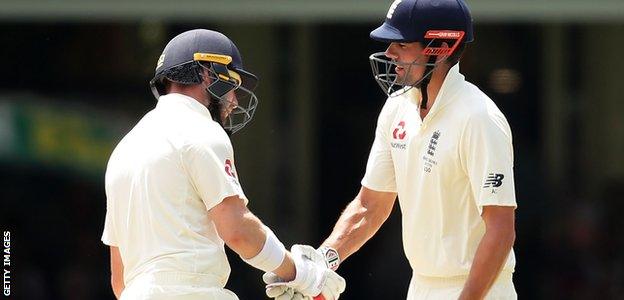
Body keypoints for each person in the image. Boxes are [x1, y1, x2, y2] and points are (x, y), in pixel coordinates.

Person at [266, 0, 518, 299]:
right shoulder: (397, 109)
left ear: (441, 47)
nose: (390, 53)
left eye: (402, 44)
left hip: (480, 289)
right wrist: (320, 266)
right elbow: (369, 206)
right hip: (421, 286)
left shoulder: (478, 118)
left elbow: (500, 231)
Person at [100, 29, 345, 300]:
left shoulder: (124, 149)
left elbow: (119, 278)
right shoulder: (201, 130)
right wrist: (300, 273)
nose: (234, 101)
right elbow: (238, 231)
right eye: (234, 86)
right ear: (208, 74)